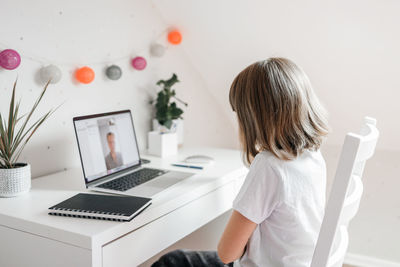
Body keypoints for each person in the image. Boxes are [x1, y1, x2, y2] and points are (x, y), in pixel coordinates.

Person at [151, 58, 329, 267]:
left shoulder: (269, 165)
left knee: (173, 261)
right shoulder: (313, 154)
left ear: (254, 117)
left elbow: (227, 253)